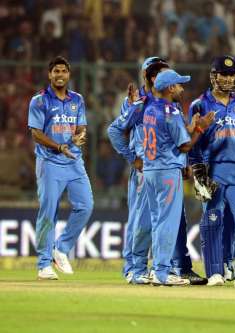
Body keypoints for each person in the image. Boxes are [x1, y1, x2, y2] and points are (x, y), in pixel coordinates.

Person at [108, 57, 207, 285]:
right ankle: (136, 267)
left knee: (159, 221)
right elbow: (114, 131)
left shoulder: (167, 105)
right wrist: (133, 158)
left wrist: (182, 162)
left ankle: (160, 268)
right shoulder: (139, 104)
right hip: (148, 169)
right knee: (143, 222)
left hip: (162, 167)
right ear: (154, 78)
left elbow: (176, 137)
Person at [189, 55, 235, 286]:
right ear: (213, 76)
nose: (229, 79)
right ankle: (215, 272)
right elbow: (193, 142)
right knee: (212, 221)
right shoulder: (200, 105)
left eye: (232, 75)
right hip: (213, 171)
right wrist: (198, 172)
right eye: (224, 74)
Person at [142, 69, 215, 286]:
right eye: (179, 85)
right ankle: (162, 272)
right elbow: (184, 145)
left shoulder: (150, 109)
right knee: (168, 222)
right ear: (171, 88)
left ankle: (157, 269)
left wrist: (191, 126)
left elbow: (168, 133)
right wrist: (201, 129)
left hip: (150, 171)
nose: (182, 88)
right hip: (166, 171)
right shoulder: (170, 111)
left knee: (157, 221)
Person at [28, 56, 93, 280]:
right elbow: (36, 133)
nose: (59, 75)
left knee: (86, 206)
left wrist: (78, 137)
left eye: (63, 71)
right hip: (50, 162)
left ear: (69, 75)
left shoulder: (78, 99)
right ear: (49, 75)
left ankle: (61, 249)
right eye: (55, 71)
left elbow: (82, 125)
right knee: (49, 212)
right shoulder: (39, 100)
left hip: (74, 161)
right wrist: (59, 146)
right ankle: (44, 264)